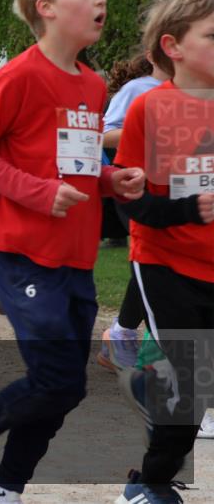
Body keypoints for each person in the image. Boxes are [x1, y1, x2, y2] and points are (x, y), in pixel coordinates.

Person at [0, 0, 146, 504]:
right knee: (57, 378)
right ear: (46, 6)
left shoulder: (92, 83)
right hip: (23, 252)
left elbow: (73, 163)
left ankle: (6, 491)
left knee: (66, 388)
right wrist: (35, 193)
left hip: (74, 256)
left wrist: (110, 181)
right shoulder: (19, 75)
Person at [111, 0, 214, 504]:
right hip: (164, 260)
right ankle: (148, 483)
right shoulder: (150, 109)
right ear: (172, 46)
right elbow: (130, 207)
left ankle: (153, 388)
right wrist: (191, 209)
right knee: (196, 380)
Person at [96, 50, 172, 372]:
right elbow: (105, 134)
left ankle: (130, 337)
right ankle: (132, 339)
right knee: (158, 259)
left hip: (178, 189)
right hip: (135, 186)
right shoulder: (137, 90)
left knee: (168, 264)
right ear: (155, 53)